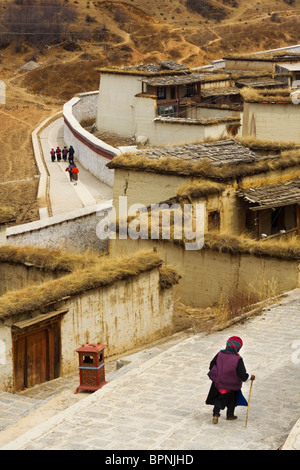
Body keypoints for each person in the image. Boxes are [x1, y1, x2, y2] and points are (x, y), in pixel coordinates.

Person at [206, 336, 255, 424]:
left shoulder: (220, 354)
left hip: (219, 384)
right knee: (232, 400)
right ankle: (230, 415)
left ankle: (216, 414)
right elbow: (243, 375)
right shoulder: (238, 359)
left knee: (218, 399)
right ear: (238, 348)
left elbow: (211, 365)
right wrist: (250, 377)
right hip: (232, 386)